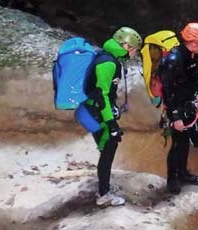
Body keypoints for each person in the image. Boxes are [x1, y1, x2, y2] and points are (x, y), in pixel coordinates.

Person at [83, 27, 142, 206]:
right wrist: (111, 123)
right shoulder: (108, 63)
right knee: (109, 148)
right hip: (97, 113)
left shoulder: (108, 56)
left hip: (95, 110)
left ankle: (104, 186)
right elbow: (102, 95)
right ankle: (104, 194)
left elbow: (105, 94)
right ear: (125, 45)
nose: (135, 53)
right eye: (134, 49)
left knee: (107, 148)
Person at [159, 22, 198, 194]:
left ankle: (182, 172)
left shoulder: (190, 57)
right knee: (178, 144)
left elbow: (195, 76)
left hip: (188, 104)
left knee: (190, 141)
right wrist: (175, 117)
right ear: (194, 42)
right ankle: (172, 178)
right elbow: (167, 91)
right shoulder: (173, 61)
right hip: (176, 107)